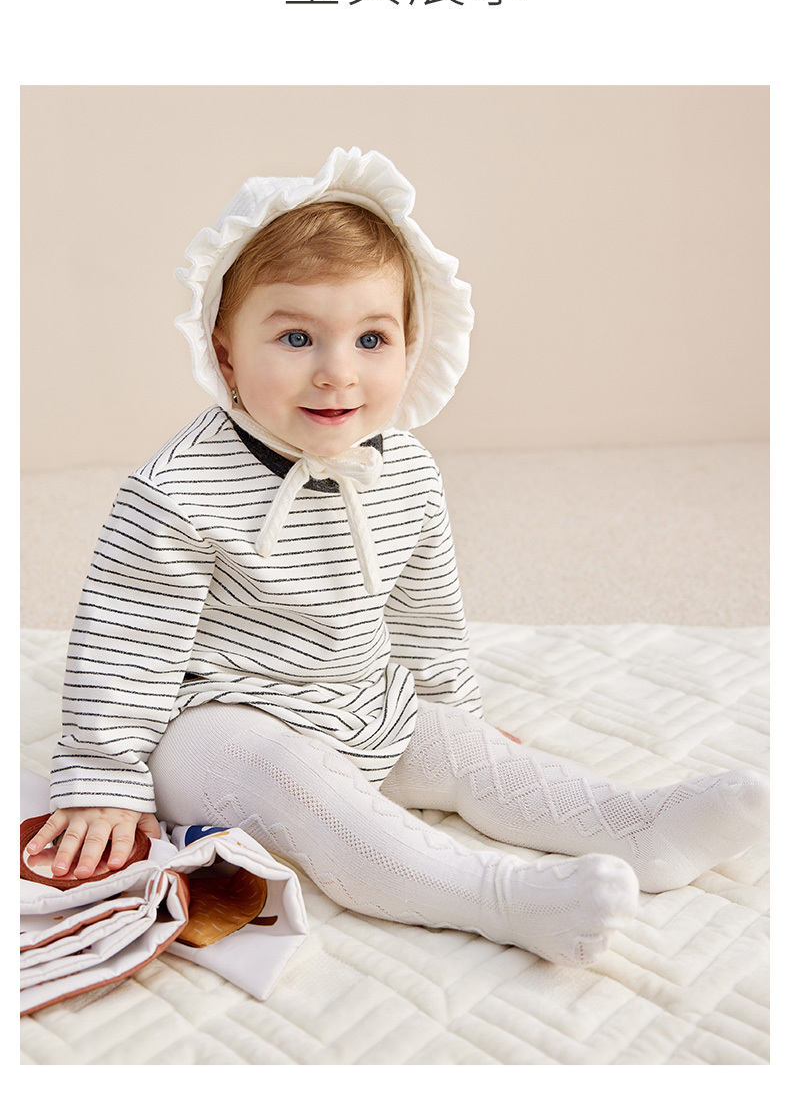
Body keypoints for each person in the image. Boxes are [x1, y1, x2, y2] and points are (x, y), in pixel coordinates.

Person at [27, 147, 768, 968]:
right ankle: (499, 896)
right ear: (226, 353)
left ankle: (639, 827)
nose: (336, 372)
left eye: (371, 338)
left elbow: (425, 610)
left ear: (412, 346)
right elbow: (124, 639)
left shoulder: (405, 469)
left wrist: (453, 706)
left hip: (359, 698)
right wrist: (101, 774)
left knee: (469, 755)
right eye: (297, 336)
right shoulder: (178, 489)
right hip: (212, 721)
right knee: (292, 779)